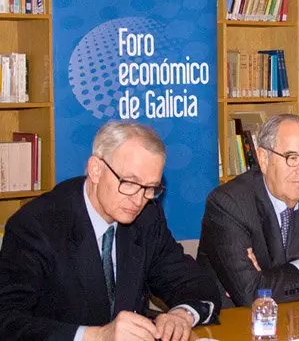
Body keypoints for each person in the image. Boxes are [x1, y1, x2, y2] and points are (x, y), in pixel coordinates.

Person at [0, 121, 219, 341]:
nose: (138, 199)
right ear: (96, 169)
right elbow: (8, 320)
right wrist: (95, 336)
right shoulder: (36, 225)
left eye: (150, 187)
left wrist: (181, 315)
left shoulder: (146, 217)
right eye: (129, 182)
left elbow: (194, 282)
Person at [197, 114, 299, 307]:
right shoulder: (229, 204)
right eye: (292, 158)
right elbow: (251, 294)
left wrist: (269, 280)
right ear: (263, 159)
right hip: (236, 321)